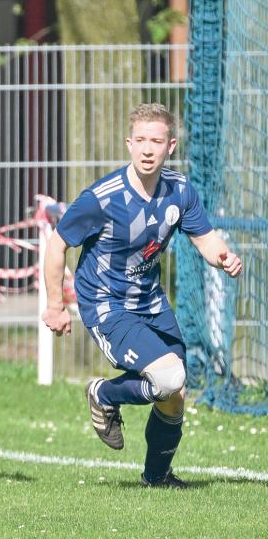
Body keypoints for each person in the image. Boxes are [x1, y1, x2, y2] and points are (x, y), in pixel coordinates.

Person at [41, 102, 243, 488]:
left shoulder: (179, 190)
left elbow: (203, 237)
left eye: (157, 140)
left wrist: (224, 258)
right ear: (129, 144)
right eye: (141, 141)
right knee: (168, 377)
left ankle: (156, 477)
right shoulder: (103, 198)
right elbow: (57, 245)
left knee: (175, 392)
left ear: (171, 146)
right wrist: (56, 305)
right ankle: (104, 393)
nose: (148, 149)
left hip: (149, 301)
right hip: (106, 304)